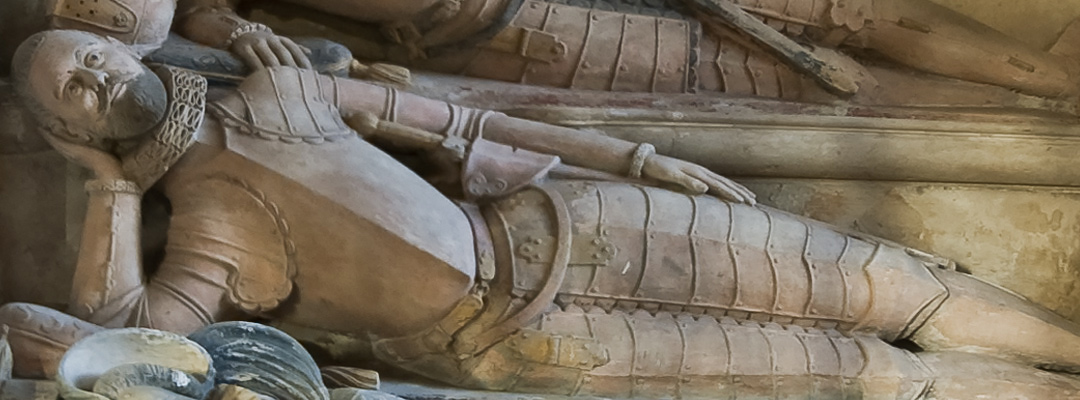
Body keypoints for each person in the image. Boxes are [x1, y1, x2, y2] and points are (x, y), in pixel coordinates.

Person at [8, 29, 1080, 399]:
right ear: (70, 129)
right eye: (75, 93)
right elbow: (126, 340)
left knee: (894, 281)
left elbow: (463, 123)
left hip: (568, 221)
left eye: (91, 56)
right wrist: (109, 188)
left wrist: (642, 156)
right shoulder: (207, 233)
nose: (97, 77)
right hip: (532, 340)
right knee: (871, 377)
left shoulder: (282, 84)